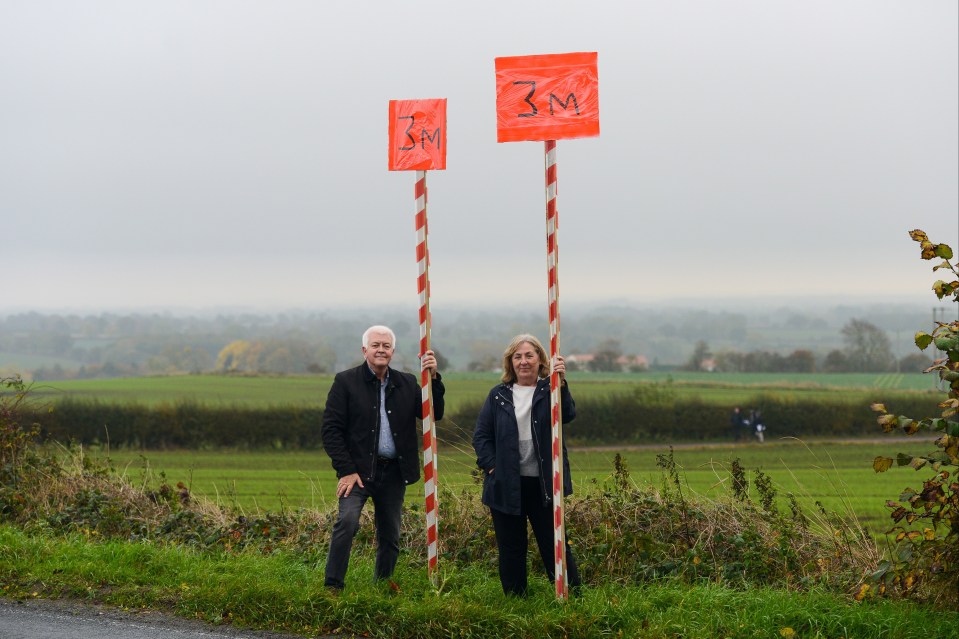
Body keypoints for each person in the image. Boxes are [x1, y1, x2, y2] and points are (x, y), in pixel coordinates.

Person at [321, 325, 445, 591]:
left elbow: (433, 414)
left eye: (386, 346)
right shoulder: (345, 381)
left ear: (393, 351)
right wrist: (346, 470)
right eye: (375, 345)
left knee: (390, 534)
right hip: (357, 473)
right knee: (348, 522)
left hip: (394, 473)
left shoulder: (408, 383)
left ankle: (382, 586)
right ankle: (333, 586)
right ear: (364, 350)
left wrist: (433, 378)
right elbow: (330, 430)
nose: (381, 350)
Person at [472, 334, 581, 596]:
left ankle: (571, 595)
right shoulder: (498, 395)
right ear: (510, 362)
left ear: (541, 360)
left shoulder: (551, 390)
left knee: (554, 543)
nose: (523, 361)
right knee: (511, 546)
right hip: (505, 484)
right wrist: (492, 467)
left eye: (529, 355)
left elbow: (568, 414)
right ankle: (515, 598)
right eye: (517, 356)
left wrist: (561, 382)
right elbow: (481, 436)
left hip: (545, 483)